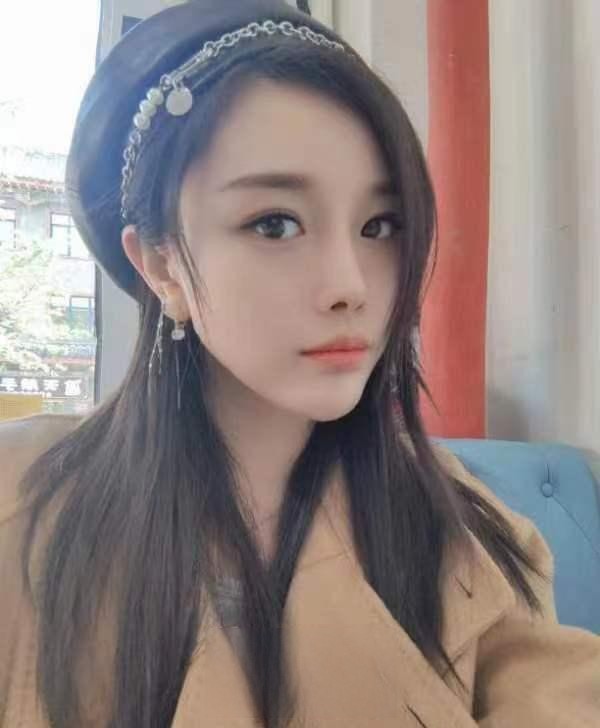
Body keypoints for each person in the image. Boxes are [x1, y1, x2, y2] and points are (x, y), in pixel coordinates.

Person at [1, 1, 598, 726]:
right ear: (160, 264)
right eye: (275, 223)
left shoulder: (465, 533)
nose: (351, 284)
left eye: (380, 225)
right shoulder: (24, 509)